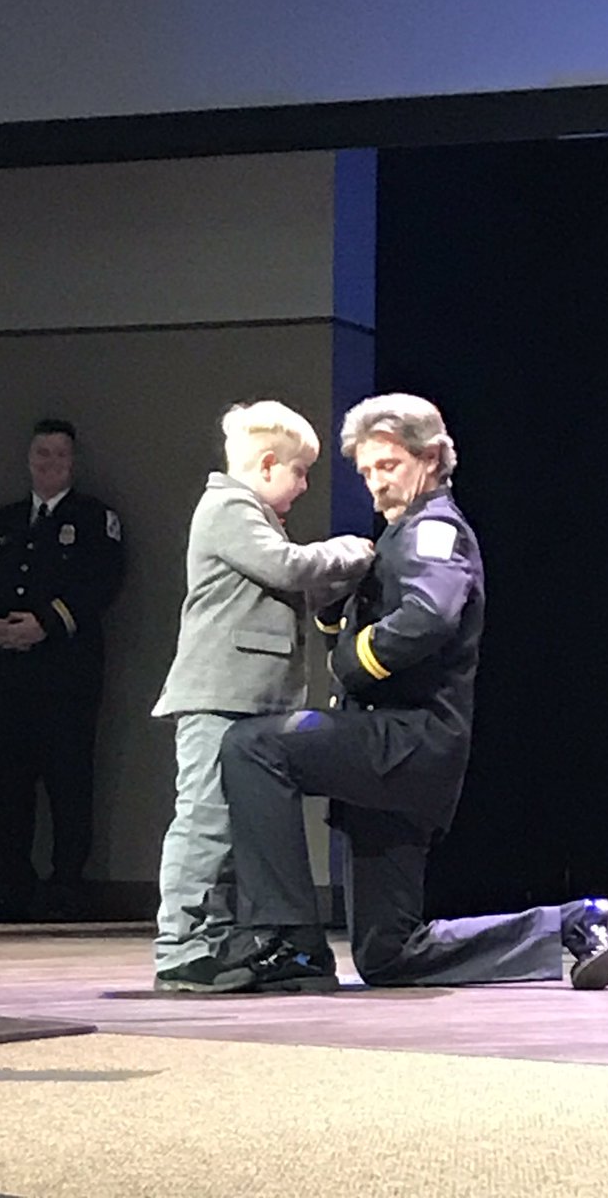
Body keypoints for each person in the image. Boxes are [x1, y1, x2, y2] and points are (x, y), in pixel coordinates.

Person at [205, 393, 608, 994]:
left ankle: (289, 941)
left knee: (252, 746)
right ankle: (577, 924)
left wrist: (351, 661)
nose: (376, 483)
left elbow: (430, 615)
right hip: (392, 753)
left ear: (430, 459)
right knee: (388, 955)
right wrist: (334, 611)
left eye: (389, 466)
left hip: (404, 743)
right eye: (368, 470)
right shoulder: (403, 534)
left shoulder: (433, 530)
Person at [151, 400, 374, 992]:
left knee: (234, 828)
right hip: (219, 694)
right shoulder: (226, 508)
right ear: (269, 463)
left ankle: (219, 942)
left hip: (250, 699)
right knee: (205, 823)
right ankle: (182, 947)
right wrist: (351, 551)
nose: (303, 485)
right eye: (300, 472)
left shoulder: (249, 513)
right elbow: (287, 567)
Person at [0, 418, 125, 920]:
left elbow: (104, 582)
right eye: (41, 455)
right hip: (5, 677)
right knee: (7, 785)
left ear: (72, 462)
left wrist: (47, 623)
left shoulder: (95, 519)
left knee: (69, 782)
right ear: (29, 460)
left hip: (65, 678)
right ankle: (8, 887)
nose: (50, 464)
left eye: (59, 456)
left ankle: (67, 889)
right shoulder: (1, 523)